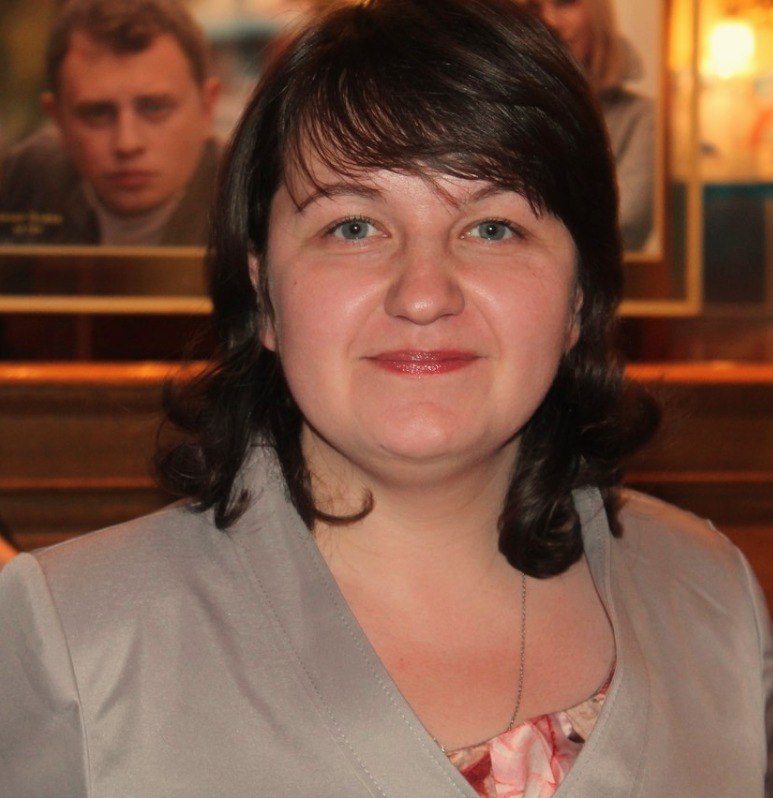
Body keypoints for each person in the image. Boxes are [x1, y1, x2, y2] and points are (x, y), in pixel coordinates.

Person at [0, 0, 770, 795]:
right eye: (354, 228)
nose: (423, 294)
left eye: (493, 228)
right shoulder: (73, 642)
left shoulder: (710, 598)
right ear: (263, 292)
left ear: (579, 294)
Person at [0, 0, 220, 247]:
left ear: (207, 107)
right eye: (97, 114)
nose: (127, 144)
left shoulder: (248, 198)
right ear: (57, 119)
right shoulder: (24, 181)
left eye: (155, 108)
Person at [522, 0, 655, 251]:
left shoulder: (640, 119)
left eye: (565, 2)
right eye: (532, 7)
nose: (549, 21)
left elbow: (625, 226)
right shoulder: (490, 116)